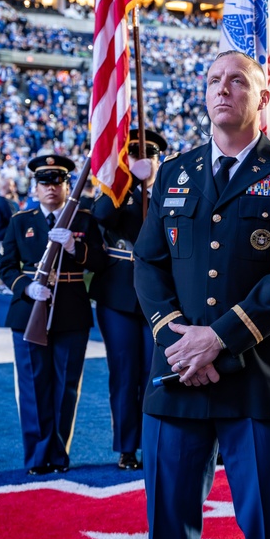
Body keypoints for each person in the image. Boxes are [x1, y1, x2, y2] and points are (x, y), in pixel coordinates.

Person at [133, 50, 270, 539]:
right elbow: (148, 263)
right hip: (177, 376)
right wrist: (181, 341)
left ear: (262, 98)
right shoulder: (174, 173)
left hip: (257, 379)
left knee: (266, 535)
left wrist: (217, 339)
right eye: (214, 79)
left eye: (237, 81)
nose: (222, 89)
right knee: (168, 533)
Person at [0, 155, 106, 474]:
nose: (51, 188)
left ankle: (58, 455)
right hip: (29, 311)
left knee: (65, 387)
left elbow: (99, 262)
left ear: (67, 185)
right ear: (35, 187)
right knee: (33, 387)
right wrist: (27, 289)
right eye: (44, 182)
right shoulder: (21, 220)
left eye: (57, 182)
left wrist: (74, 246)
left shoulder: (83, 220)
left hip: (70, 311)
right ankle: (36, 457)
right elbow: (6, 265)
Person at [89, 128, 167, 470]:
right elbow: (103, 216)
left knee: (157, 373)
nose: (143, 160)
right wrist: (131, 183)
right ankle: (126, 447)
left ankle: (155, 440)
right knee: (124, 373)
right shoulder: (115, 191)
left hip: (161, 296)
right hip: (119, 294)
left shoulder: (167, 189)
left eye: (148, 154)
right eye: (135, 154)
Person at [0, 179, 20, 293]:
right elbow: (13, 218)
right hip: (2, 236)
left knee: (4, 261)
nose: (13, 188)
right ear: (6, 187)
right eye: (11, 186)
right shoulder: (3, 201)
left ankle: (2, 285)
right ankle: (3, 285)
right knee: (5, 261)